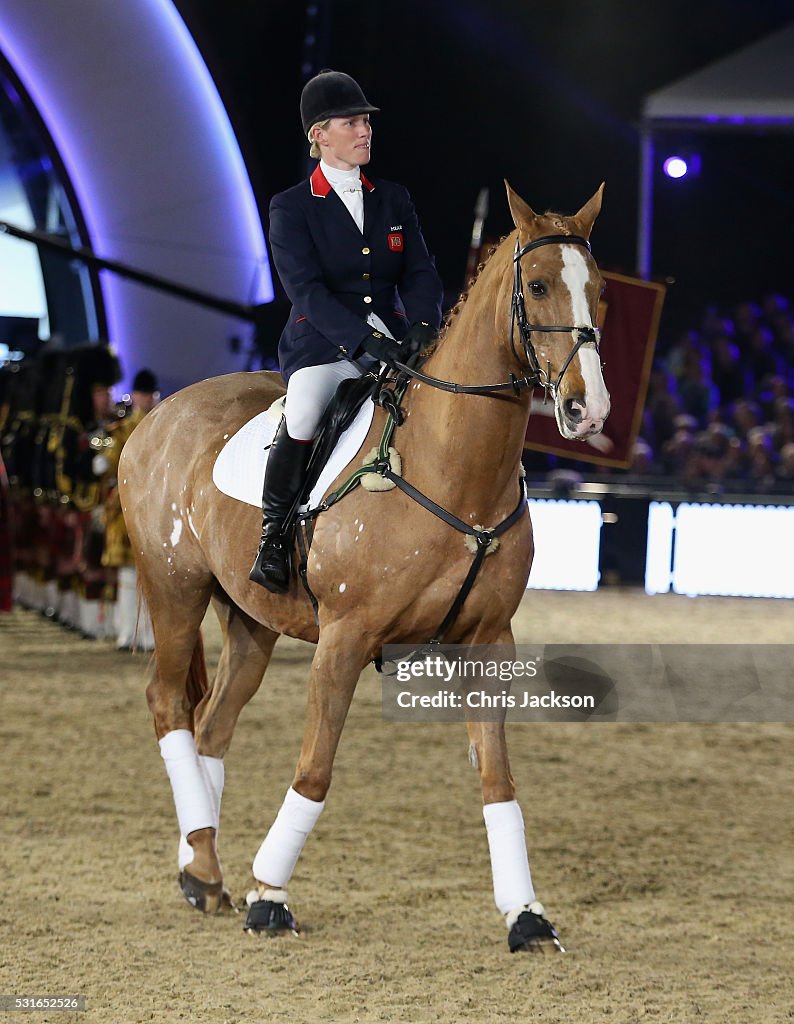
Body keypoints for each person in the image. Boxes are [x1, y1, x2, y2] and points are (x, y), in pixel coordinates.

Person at [249, 69, 444, 593]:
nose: (365, 131)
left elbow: (420, 270)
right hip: (322, 343)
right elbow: (305, 291)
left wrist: (424, 325)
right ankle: (273, 535)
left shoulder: (393, 198)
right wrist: (362, 340)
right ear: (319, 134)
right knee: (307, 405)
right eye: (351, 122)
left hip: (394, 335)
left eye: (365, 122)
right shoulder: (291, 207)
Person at [102, 368, 159, 649]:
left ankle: (147, 635)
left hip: (154, 506)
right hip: (127, 506)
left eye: (149, 394)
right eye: (142, 394)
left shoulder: (159, 427)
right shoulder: (125, 429)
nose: (145, 399)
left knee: (152, 575)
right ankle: (127, 632)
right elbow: (111, 462)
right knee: (127, 574)